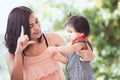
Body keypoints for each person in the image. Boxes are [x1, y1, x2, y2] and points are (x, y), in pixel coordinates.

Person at [4, 6, 94, 80]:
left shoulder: (52, 38)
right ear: (19, 30)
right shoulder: (12, 55)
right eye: (31, 26)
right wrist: (19, 52)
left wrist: (90, 55)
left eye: (36, 21)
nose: (37, 27)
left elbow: (76, 60)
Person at [64, 15, 94, 80]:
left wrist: (56, 49)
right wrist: (57, 56)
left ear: (81, 32)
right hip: (73, 75)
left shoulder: (81, 42)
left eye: (70, 32)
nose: (68, 34)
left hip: (82, 76)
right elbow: (69, 61)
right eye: (67, 32)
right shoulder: (72, 43)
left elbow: (72, 48)